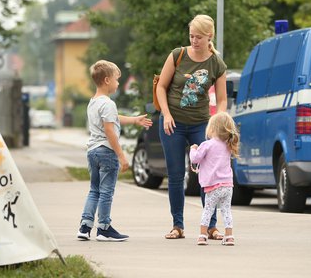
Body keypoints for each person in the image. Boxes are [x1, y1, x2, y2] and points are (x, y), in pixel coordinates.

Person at [155, 14, 228, 240]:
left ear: (209, 37)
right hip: (173, 123)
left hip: (201, 125)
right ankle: (177, 225)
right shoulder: (178, 55)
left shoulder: (216, 62)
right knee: (176, 175)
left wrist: (220, 122)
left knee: (208, 175)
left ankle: (211, 227)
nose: (194, 41)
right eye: (191, 36)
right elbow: (161, 87)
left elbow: (223, 99)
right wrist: (166, 114)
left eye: (199, 37)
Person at [77, 60, 152, 241]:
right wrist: (121, 156)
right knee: (106, 191)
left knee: (94, 190)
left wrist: (134, 120)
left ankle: (85, 227)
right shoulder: (109, 104)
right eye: (117, 79)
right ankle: (104, 228)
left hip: (92, 151)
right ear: (107, 80)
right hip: (106, 151)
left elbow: (113, 119)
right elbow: (110, 130)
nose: (119, 83)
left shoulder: (93, 102)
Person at [189, 112, 239, 246]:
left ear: (212, 129)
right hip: (228, 186)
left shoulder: (207, 144)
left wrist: (192, 149)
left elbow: (195, 158)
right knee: (226, 210)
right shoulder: (228, 145)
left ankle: (202, 236)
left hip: (213, 185)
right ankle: (229, 237)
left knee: (208, 210)